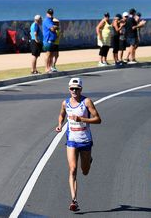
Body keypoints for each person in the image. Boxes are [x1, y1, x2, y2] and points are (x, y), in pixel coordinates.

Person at [55, 77, 102, 212]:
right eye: (72, 88)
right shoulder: (65, 103)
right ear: (69, 89)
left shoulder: (86, 102)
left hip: (85, 140)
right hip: (72, 140)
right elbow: (61, 115)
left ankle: (89, 161)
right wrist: (59, 125)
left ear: (81, 89)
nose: (74, 91)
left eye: (77, 88)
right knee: (72, 169)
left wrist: (81, 119)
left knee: (85, 171)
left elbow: (98, 119)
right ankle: (74, 200)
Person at [42, 8, 58, 73]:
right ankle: (46, 68)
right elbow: (52, 28)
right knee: (47, 55)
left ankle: (50, 67)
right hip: (47, 40)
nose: (50, 15)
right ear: (47, 14)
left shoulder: (51, 21)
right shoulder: (46, 20)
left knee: (51, 55)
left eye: (51, 14)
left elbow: (55, 27)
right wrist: (55, 27)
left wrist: (55, 27)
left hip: (52, 40)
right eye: (49, 13)